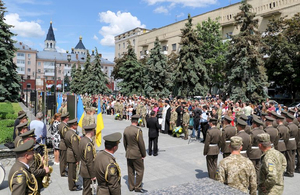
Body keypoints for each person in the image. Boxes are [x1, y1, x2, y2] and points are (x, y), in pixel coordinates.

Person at [123, 115, 147, 193]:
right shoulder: (137, 131)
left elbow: (124, 142)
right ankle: (138, 187)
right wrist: (143, 154)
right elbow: (141, 144)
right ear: (137, 121)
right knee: (140, 170)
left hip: (129, 153)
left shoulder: (126, 129)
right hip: (137, 154)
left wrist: (127, 150)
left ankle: (131, 186)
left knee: (130, 171)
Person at [64, 118, 82, 191]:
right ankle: (72, 187)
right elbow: (75, 148)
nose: (77, 125)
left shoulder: (68, 132)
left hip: (69, 153)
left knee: (71, 171)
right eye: (76, 124)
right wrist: (78, 158)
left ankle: (73, 184)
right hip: (72, 155)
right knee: (72, 172)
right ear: (73, 125)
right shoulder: (73, 135)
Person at [79, 124, 96, 195]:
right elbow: (89, 161)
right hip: (87, 171)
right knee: (87, 190)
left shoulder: (83, 139)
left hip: (84, 168)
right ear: (91, 132)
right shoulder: (88, 144)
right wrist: (92, 175)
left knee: (87, 189)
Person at [285, 113, 298, 177]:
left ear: (289, 119)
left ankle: (289, 171)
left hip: (289, 143)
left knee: (289, 158)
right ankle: (292, 170)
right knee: (292, 157)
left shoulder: (288, 127)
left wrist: (285, 143)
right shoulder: (295, 126)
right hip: (294, 142)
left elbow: (286, 137)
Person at [58, 112, 70, 177]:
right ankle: (62, 172)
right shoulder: (64, 126)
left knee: (64, 159)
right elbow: (66, 136)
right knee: (63, 159)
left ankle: (64, 170)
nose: (69, 119)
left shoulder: (63, 124)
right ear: (65, 118)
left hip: (63, 144)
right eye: (68, 118)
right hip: (64, 144)